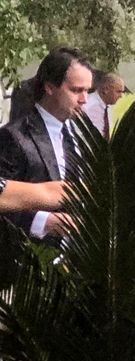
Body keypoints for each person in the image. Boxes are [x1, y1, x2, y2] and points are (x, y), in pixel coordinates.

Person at [0, 47, 93, 240]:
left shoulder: (81, 133)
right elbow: (5, 200)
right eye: (76, 90)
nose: (84, 99)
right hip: (31, 258)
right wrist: (43, 221)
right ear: (50, 87)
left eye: (87, 90)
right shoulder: (13, 137)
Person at [83, 72, 125, 139]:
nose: (121, 96)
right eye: (118, 92)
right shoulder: (88, 106)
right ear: (106, 89)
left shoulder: (108, 107)